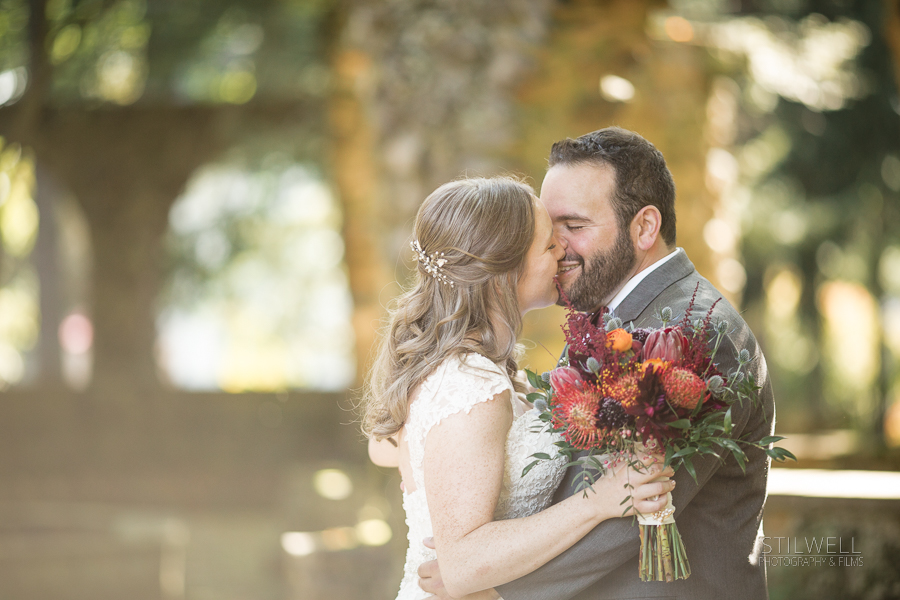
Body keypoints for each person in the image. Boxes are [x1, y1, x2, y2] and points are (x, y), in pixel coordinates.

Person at [418, 128, 776, 600]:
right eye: (550, 227)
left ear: (645, 227)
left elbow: (635, 513)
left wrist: (489, 578)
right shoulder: (608, 315)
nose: (556, 246)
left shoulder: (691, 331)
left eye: (575, 225)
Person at [363, 176, 676, 600]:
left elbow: (387, 445)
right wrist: (601, 499)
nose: (564, 250)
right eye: (549, 246)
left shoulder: (473, 372)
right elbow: (462, 565)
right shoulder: (473, 386)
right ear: (501, 275)